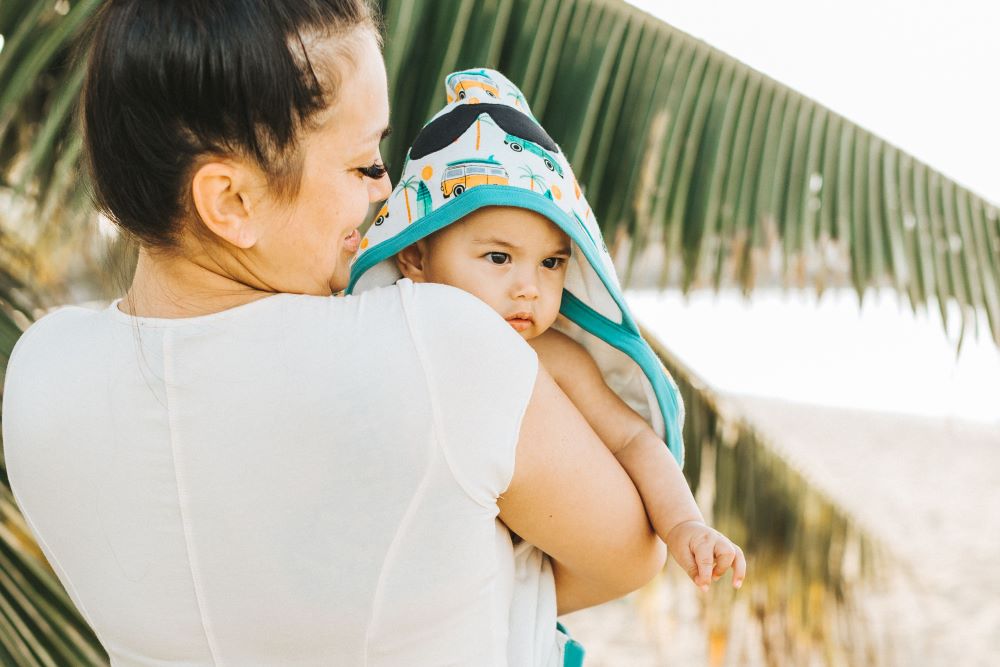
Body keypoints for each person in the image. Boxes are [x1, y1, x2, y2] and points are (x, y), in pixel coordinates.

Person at [1, 3, 664, 666]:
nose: (387, 189)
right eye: (361, 164)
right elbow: (634, 550)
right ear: (230, 200)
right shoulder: (438, 348)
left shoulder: (40, 376)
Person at [349, 68, 747, 666]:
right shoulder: (377, 335)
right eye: (499, 257)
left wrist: (684, 523)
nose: (529, 289)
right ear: (414, 252)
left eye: (553, 263)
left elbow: (633, 438)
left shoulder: (553, 357)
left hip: (496, 606)